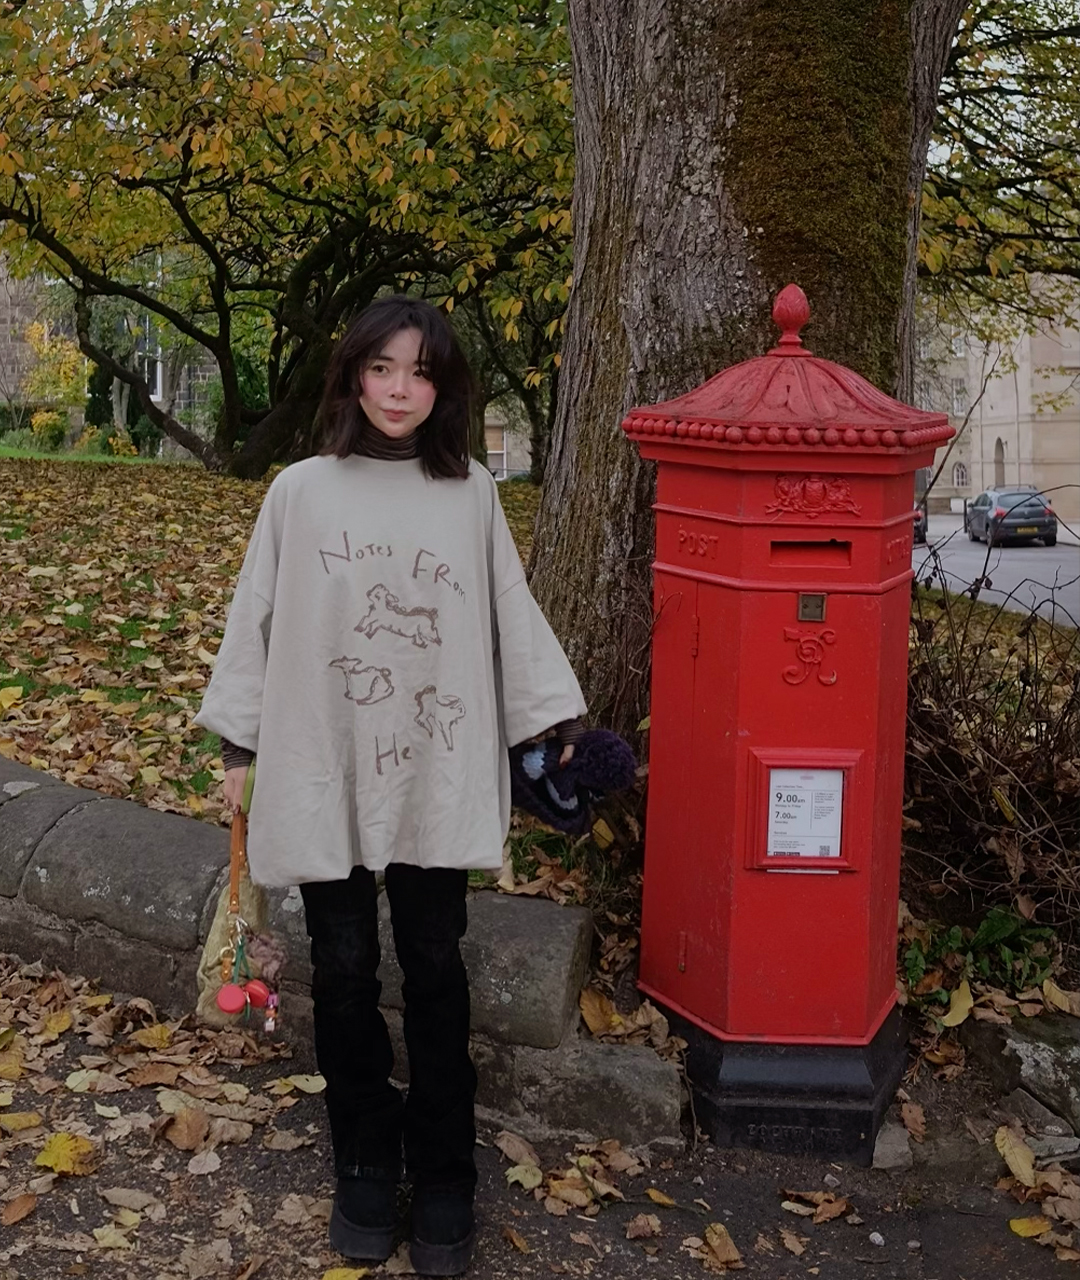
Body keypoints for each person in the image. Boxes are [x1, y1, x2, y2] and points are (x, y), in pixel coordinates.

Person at [192, 295, 586, 1277]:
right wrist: (239, 748)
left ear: (444, 388)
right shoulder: (300, 491)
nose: (400, 389)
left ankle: (446, 1169)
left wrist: (552, 729)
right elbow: (255, 616)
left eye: (420, 372)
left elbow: (508, 612)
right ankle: (365, 1156)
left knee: (435, 964)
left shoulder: (469, 494)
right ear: (353, 376)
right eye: (382, 368)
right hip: (320, 761)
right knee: (343, 967)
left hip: (431, 767)